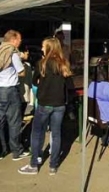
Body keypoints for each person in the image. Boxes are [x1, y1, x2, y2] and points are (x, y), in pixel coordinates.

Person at [18, 37, 73, 175]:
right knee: (56, 133)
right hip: (60, 103)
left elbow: (35, 82)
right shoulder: (64, 63)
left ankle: (34, 164)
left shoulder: (42, 63)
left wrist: (42, 85)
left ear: (48, 48)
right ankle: (53, 166)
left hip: (44, 103)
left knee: (37, 133)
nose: (41, 48)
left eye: (43, 46)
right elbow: (69, 84)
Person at [0, 30, 29, 161]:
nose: (20, 41)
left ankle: (2, 150)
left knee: (1, 121)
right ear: (13, 40)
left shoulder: (1, 50)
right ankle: (16, 151)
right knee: (14, 121)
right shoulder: (12, 53)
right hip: (10, 89)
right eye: (19, 39)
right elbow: (21, 72)